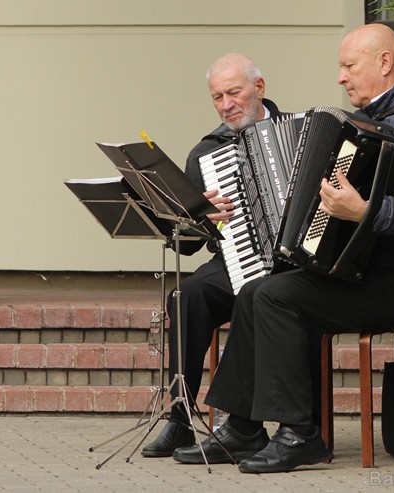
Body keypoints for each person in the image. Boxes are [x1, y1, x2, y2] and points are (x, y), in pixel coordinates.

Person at [172, 23, 394, 473]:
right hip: (375, 271)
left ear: (384, 63)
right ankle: (244, 427)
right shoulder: (380, 118)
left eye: (349, 66)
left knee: (275, 297)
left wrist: (362, 211)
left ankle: (300, 434)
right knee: (259, 288)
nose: (341, 77)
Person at [141, 53, 284, 457]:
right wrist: (196, 215)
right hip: (234, 258)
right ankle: (180, 419)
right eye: (217, 97)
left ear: (259, 88)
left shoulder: (300, 131)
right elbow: (185, 244)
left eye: (234, 92)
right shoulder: (206, 152)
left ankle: (241, 425)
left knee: (257, 300)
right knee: (187, 296)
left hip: (289, 264)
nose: (226, 104)